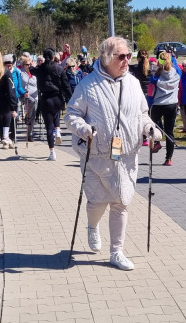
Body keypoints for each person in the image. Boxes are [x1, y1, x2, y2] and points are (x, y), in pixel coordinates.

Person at [65, 36, 160, 271]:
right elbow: (71, 115)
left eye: (129, 55)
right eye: (122, 56)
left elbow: (142, 114)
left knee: (122, 202)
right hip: (96, 156)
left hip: (126, 154)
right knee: (97, 201)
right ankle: (92, 226)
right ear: (107, 58)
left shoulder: (133, 83)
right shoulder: (87, 84)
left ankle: (116, 252)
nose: (127, 60)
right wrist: (83, 129)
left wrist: (149, 128)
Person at [33, 48, 73, 160]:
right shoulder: (59, 69)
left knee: (48, 127)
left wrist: (31, 65)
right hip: (58, 98)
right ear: (52, 57)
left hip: (46, 99)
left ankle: (52, 152)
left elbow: (32, 70)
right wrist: (72, 98)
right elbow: (66, 86)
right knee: (56, 115)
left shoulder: (40, 69)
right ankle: (58, 131)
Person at [150, 51, 181, 165]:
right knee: (169, 131)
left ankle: (157, 141)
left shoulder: (156, 75)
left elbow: (151, 91)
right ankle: (169, 158)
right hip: (172, 104)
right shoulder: (177, 73)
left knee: (153, 125)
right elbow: (176, 67)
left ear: (159, 61)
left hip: (158, 104)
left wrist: (149, 102)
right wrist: (173, 58)